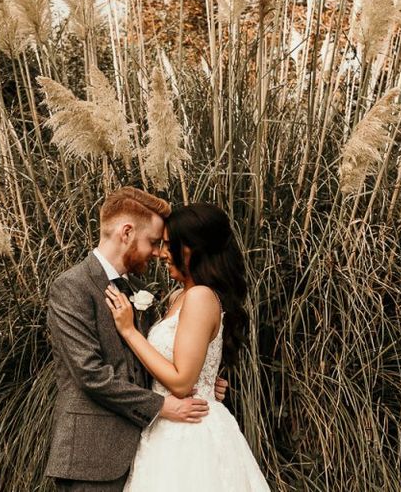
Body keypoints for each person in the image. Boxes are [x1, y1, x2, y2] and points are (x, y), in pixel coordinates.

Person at [45, 187, 227, 491]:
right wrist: (161, 406)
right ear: (126, 232)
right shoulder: (72, 287)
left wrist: (205, 383)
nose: (158, 252)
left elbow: (147, 359)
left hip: (147, 451)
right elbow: (90, 374)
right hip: (93, 457)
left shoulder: (140, 290)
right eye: (154, 242)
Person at [105, 202, 270, 491]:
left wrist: (130, 332)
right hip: (167, 425)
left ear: (192, 248)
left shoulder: (200, 297)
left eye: (170, 245)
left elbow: (182, 382)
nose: (162, 254)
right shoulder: (179, 296)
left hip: (190, 433)